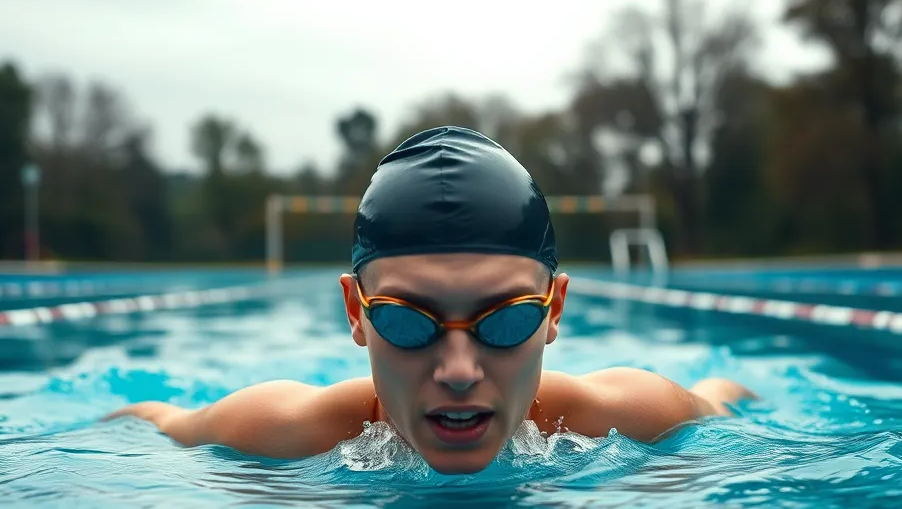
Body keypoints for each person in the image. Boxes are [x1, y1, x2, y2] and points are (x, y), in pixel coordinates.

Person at [106, 126, 753, 474]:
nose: (459, 370)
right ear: (356, 313)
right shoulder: (279, 430)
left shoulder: (634, 415)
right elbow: (160, 420)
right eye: (406, 320)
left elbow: (721, 396)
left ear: (554, 312)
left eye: (505, 319)